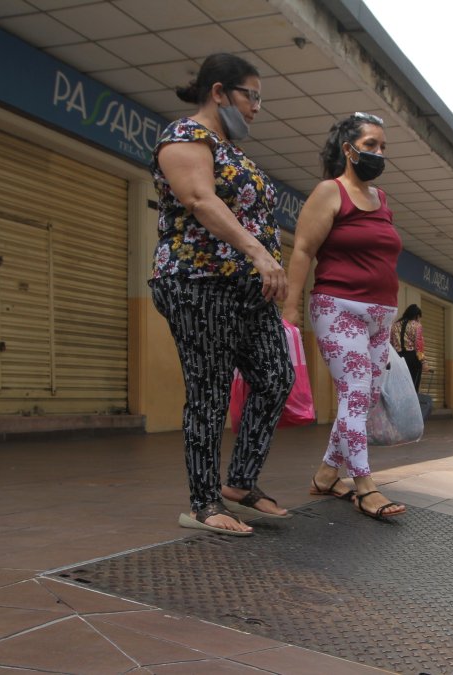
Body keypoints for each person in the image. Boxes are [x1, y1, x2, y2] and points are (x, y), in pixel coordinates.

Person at [148, 53, 294, 537]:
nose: (256, 107)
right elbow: (199, 200)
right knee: (209, 392)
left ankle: (240, 483)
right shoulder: (184, 138)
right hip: (198, 282)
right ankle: (205, 500)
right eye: (251, 95)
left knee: (276, 376)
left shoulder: (233, 151)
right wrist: (259, 252)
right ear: (218, 92)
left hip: (247, 290)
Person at [283, 112, 407, 521]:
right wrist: (291, 309)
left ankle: (324, 475)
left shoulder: (381, 199)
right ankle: (364, 484)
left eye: (383, 147)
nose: (378, 153)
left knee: (366, 396)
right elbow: (302, 250)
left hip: (380, 314)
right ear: (348, 149)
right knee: (355, 393)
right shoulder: (329, 192)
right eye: (371, 145)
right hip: (338, 308)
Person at [390, 304, 427, 391]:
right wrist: (423, 361)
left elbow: (391, 342)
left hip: (397, 358)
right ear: (417, 316)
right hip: (412, 358)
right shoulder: (417, 326)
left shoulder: (394, 325)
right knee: (412, 387)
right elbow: (419, 346)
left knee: (398, 386)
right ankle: (411, 404)